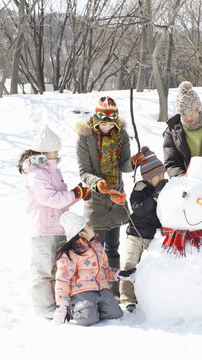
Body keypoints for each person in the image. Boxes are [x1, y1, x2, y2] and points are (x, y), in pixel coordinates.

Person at [17, 124, 92, 318]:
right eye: (55, 150)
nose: (57, 153)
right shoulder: (36, 174)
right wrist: (75, 193)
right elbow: (49, 199)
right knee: (43, 270)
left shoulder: (53, 171)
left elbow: (60, 199)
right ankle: (44, 308)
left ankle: (58, 304)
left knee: (58, 269)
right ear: (45, 150)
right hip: (42, 230)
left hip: (58, 228)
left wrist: (78, 194)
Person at [74, 96, 144, 296]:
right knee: (95, 247)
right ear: (96, 119)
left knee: (113, 246)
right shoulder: (85, 136)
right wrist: (97, 183)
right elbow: (84, 171)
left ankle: (112, 291)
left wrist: (133, 162)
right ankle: (94, 287)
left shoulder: (120, 134)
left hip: (116, 196)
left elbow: (123, 165)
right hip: (96, 199)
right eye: (102, 123)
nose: (106, 127)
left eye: (110, 123)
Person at [53, 211, 136, 326]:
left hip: (101, 290)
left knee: (116, 314)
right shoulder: (70, 254)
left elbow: (104, 270)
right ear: (81, 234)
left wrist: (121, 274)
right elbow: (62, 280)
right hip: (81, 293)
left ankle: (93, 308)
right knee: (88, 318)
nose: (91, 225)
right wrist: (62, 306)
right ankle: (75, 308)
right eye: (88, 225)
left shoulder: (97, 246)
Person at [120, 146, 168, 312]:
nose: (163, 177)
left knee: (148, 267)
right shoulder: (139, 188)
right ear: (149, 177)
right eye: (159, 175)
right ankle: (127, 298)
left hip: (153, 236)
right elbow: (138, 208)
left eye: (163, 174)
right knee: (130, 265)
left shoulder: (165, 188)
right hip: (135, 234)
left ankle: (146, 296)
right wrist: (153, 198)